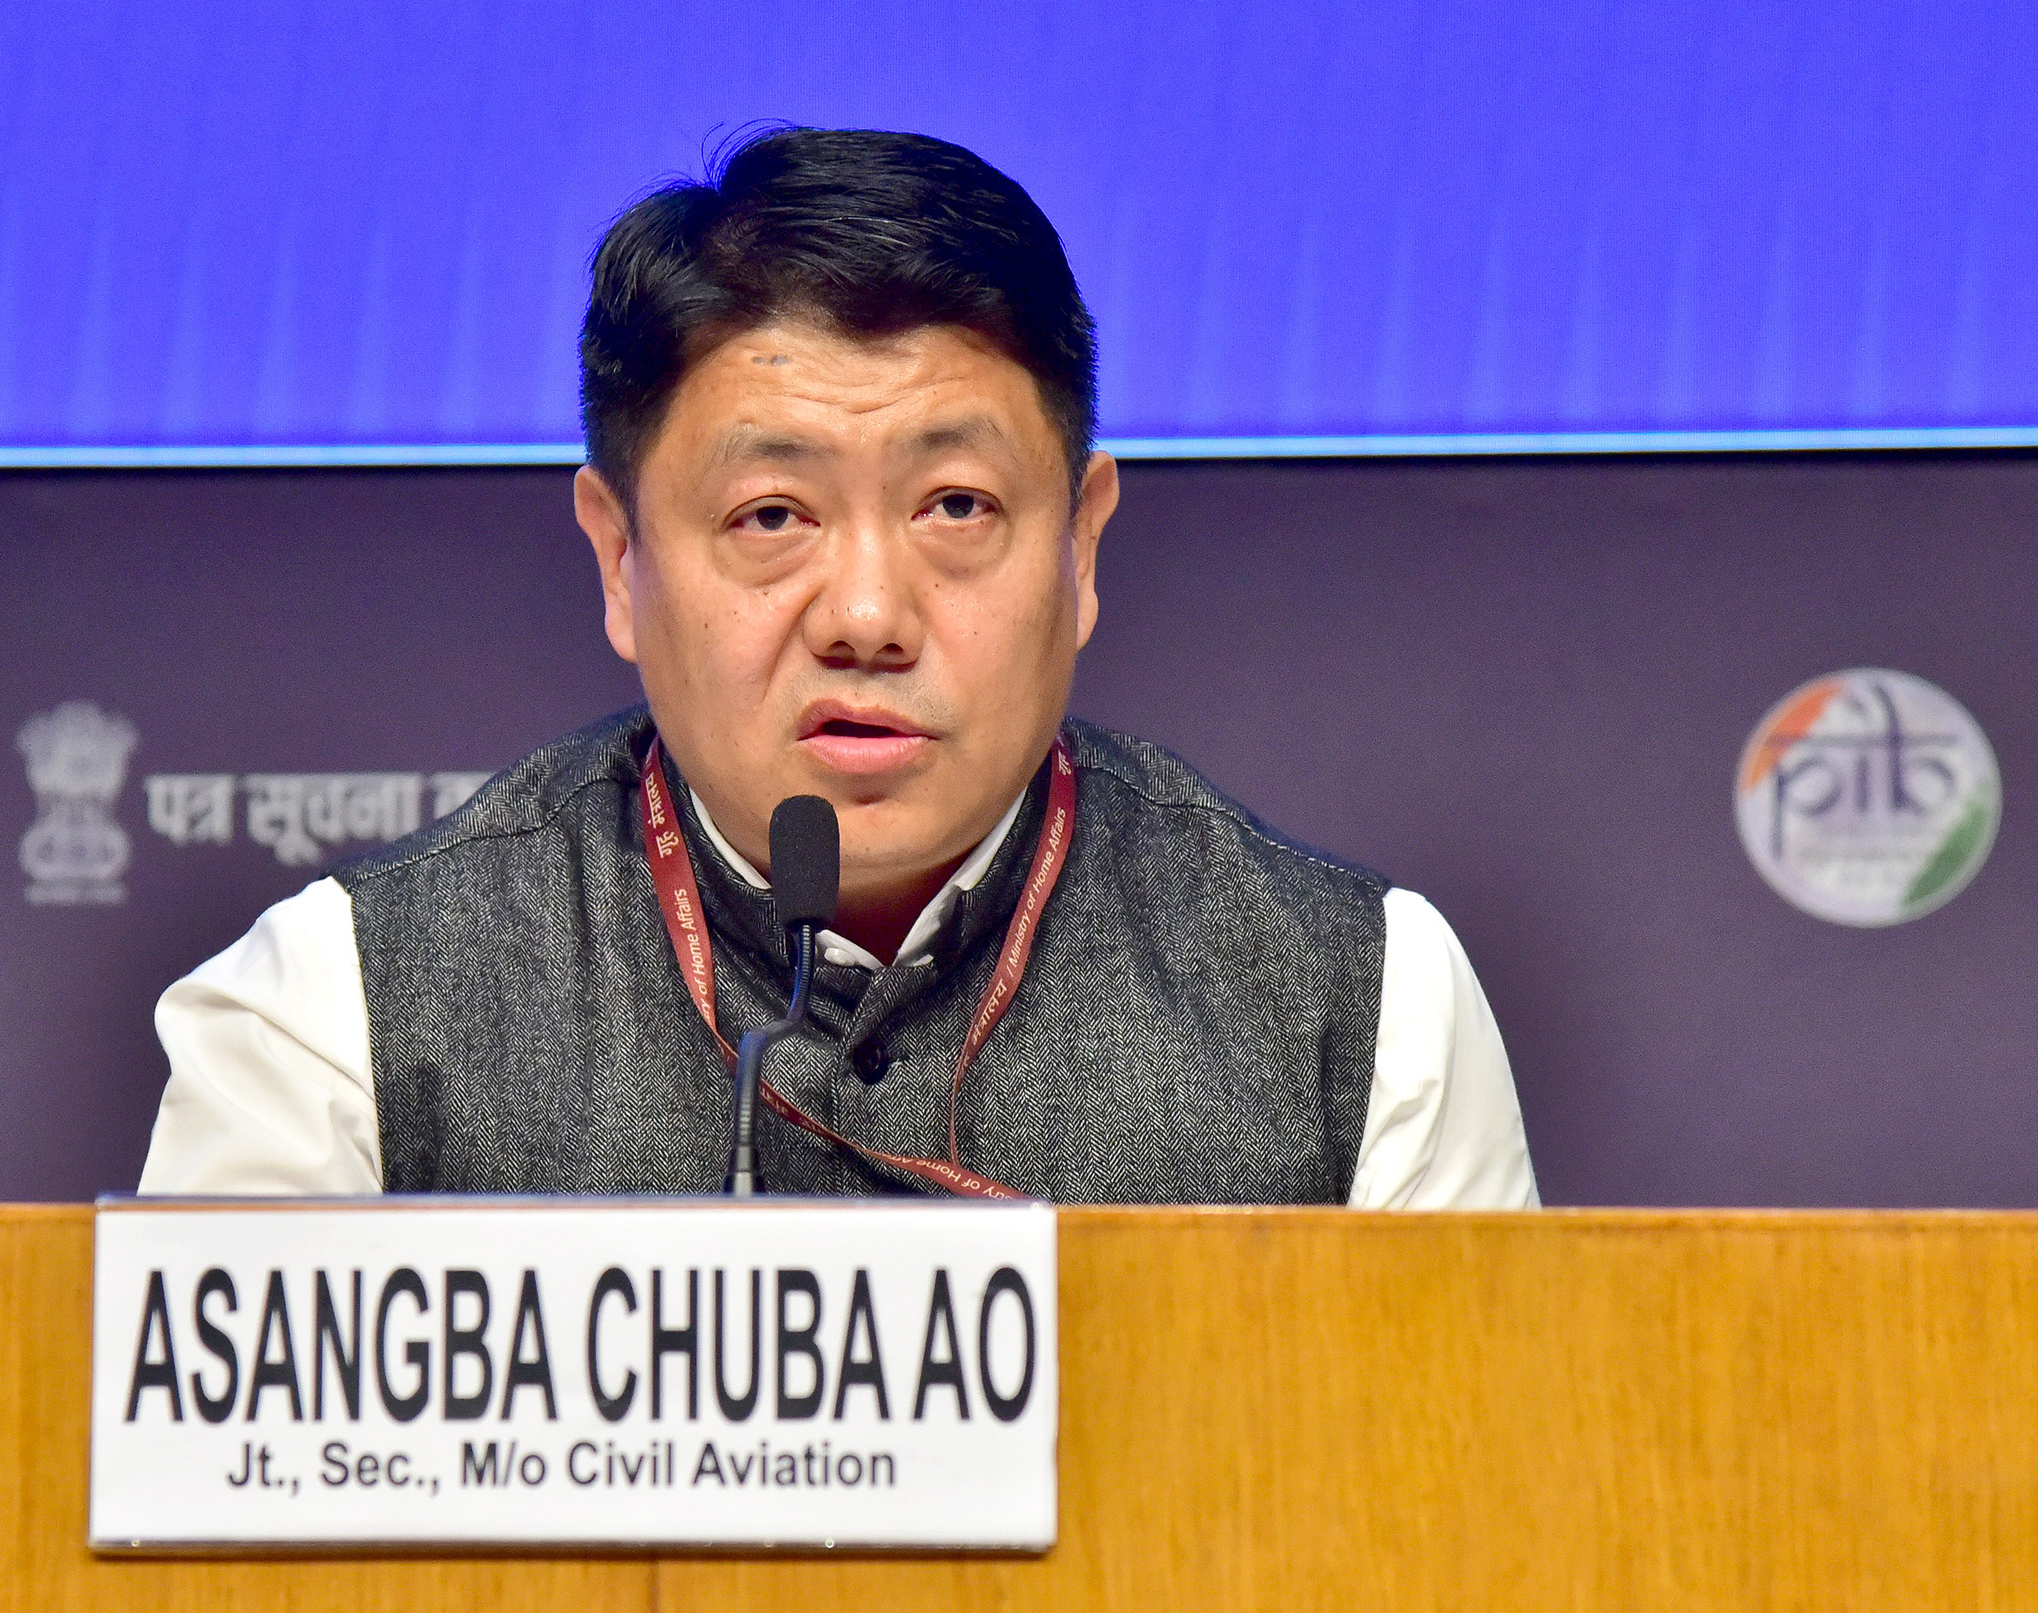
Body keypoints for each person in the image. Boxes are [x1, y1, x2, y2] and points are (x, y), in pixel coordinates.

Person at [140, 128, 1535, 1208]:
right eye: (772, 517)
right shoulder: (333, 1014)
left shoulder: (1366, 1007)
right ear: (620, 559)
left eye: (956, 507)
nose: (868, 614)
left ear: (1082, 544)